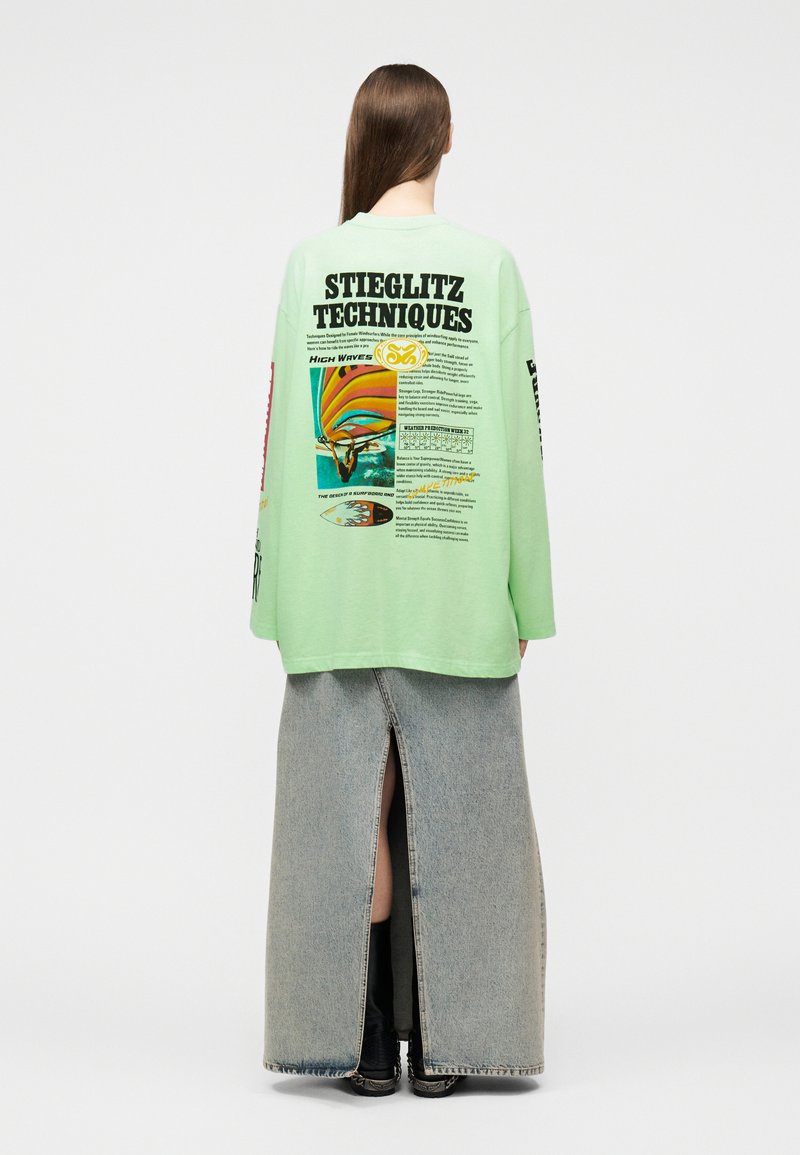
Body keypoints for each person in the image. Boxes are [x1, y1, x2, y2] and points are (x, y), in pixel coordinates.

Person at [249, 63, 556, 1098]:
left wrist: (272, 594)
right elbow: (519, 448)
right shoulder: (488, 267)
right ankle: (448, 1045)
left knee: (348, 817)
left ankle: (367, 1041)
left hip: (334, 588)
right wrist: (527, 596)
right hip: (456, 588)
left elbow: (286, 441)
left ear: (362, 139)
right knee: (455, 814)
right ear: (446, 139)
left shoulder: (312, 264)